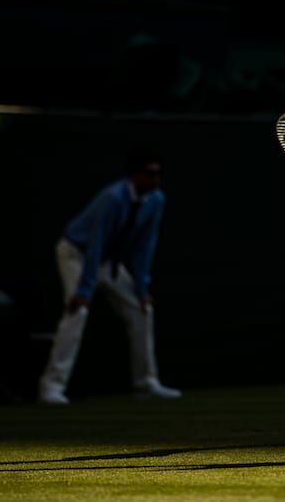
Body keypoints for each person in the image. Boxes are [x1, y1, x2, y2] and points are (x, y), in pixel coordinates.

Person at [37, 147, 182, 404]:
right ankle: (51, 386)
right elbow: (96, 243)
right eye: (150, 174)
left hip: (107, 262)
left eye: (159, 174)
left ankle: (146, 383)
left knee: (142, 309)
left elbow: (143, 247)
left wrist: (141, 286)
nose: (156, 179)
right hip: (77, 254)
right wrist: (83, 290)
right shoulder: (112, 198)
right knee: (77, 312)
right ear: (135, 175)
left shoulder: (157, 200)